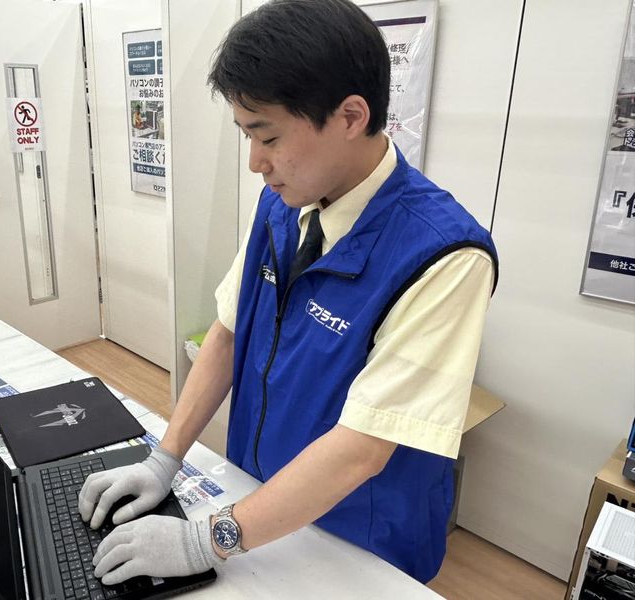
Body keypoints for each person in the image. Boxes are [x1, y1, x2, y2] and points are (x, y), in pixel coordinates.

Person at [78, 0, 498, 586]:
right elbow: (229, 333)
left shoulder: (445, 255)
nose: (256, 163)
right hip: (258, 505)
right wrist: (164, 458)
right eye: (246, 136)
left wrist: (204, 540)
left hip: (361, 542)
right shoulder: (283, 204)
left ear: (350, 116)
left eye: (268, 136)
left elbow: (363, 447)